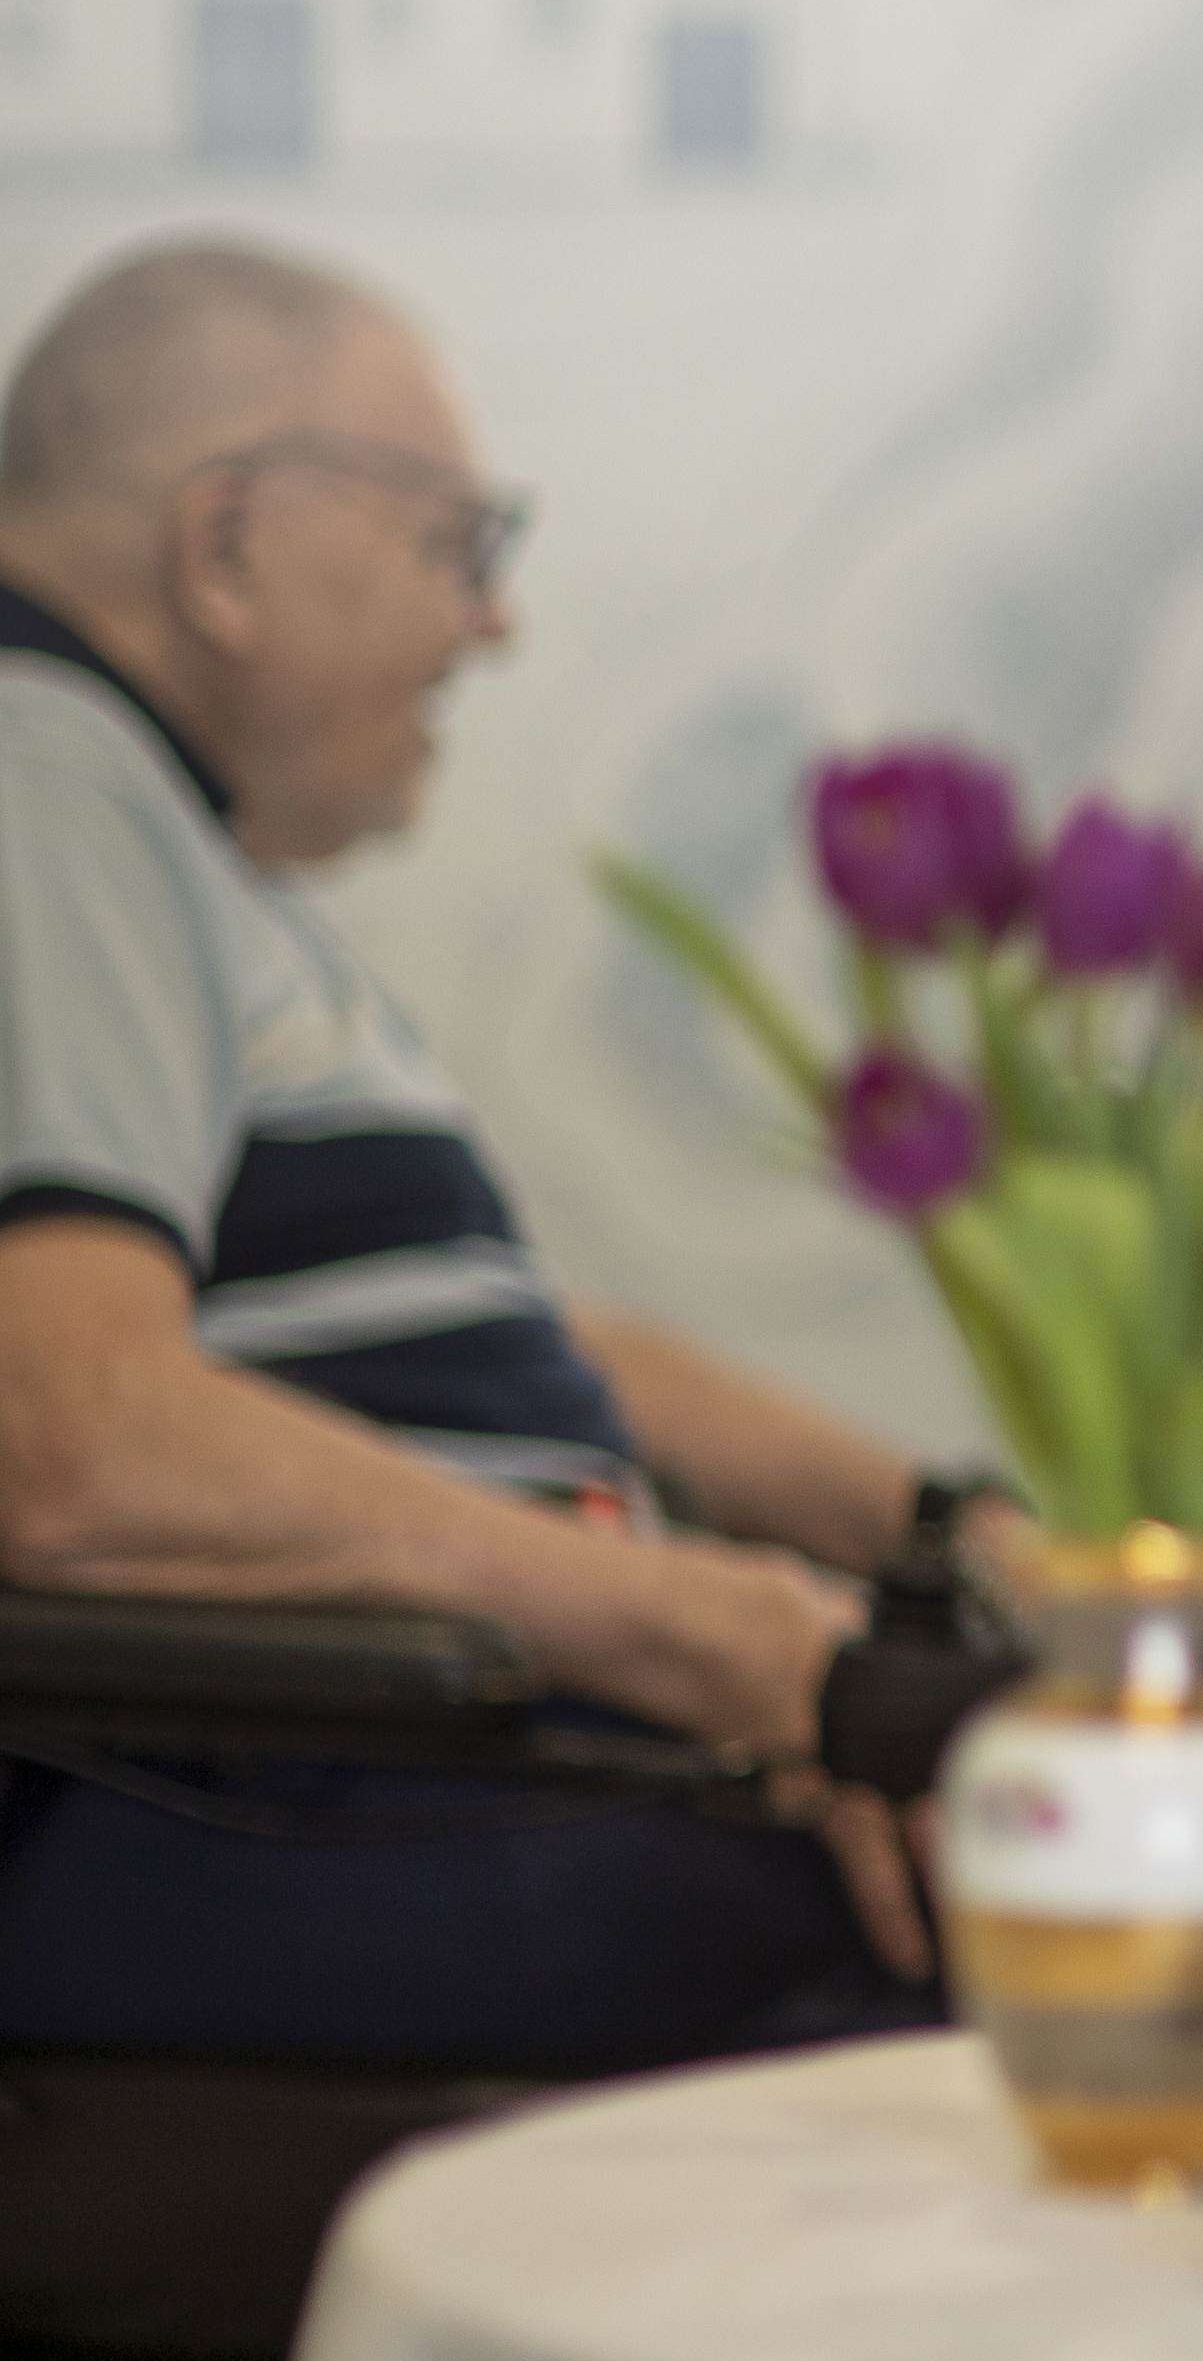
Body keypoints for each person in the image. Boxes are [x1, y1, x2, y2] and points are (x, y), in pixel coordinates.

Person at [0, 237, 934, 2072]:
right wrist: (695, 1635)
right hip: (249, 1806)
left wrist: (939, 1529)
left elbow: (532, 1344)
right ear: (226, 547)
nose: (491, 624)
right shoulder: (45, 782)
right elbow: (71, 1436)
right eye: (455, 545)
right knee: (1040, 1916)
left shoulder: (154, 846)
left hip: (352, 1769)